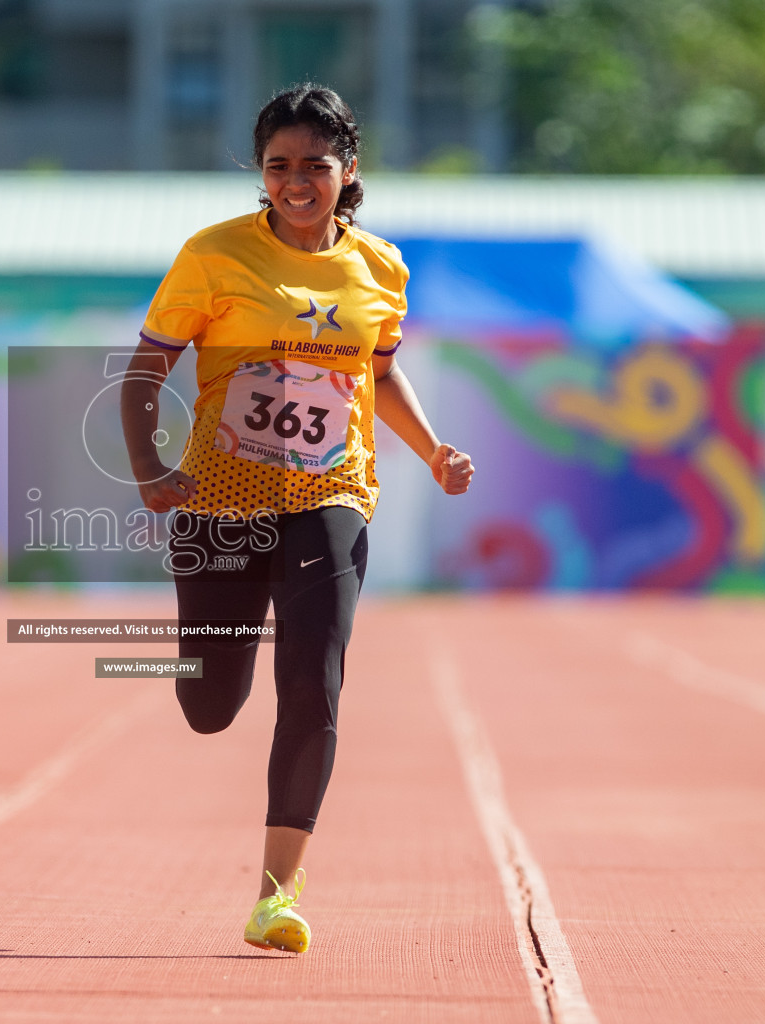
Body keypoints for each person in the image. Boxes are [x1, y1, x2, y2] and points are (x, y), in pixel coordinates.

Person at [120, 85, 474, 953]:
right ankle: (205, 677)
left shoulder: (380, 267)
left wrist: (431, 450)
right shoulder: (212, 256)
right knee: (211, 703)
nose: (296, 183)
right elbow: (142, 374)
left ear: (348, 171)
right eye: (278, 167)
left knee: (313, 683)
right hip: (220, 499)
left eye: (315, 166)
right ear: (262, 174)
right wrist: (151, 471)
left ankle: (278, 894)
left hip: (332, 495)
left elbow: (379, 373)